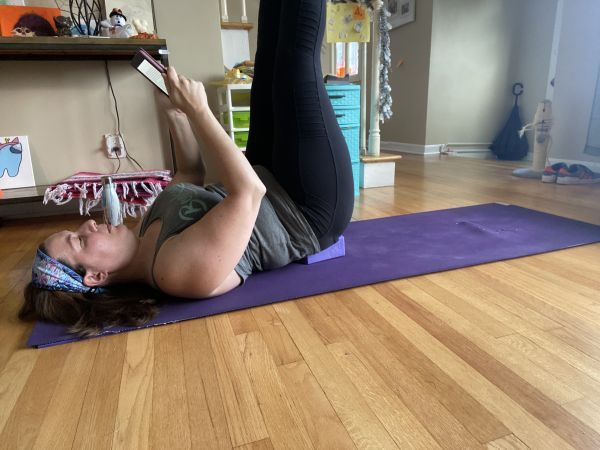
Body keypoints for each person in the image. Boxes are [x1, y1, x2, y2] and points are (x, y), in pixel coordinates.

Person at [19, 0, 354, 336]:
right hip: (304, 209)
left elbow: (190, 174)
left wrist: (174, 113)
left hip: (267, 173)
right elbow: (249, 194)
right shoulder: (175, 273)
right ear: (95, 276)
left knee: (268, 59)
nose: (88, 224)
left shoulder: (144, 234)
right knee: (295, 58)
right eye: (79, 241)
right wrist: (199, 111)